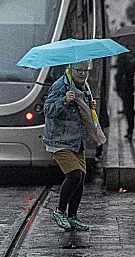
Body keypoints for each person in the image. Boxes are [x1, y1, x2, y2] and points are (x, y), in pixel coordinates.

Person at [43, 60, 95, 231]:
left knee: (80, 180)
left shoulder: (84, 87)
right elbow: (48, 110)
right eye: (79, 70)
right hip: (59, 139)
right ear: (70, 69)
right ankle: (59, 211)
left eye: (85, 71)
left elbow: (82, 110)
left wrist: (90, 105)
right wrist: (64, 100)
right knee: (74, 175)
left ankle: (72, 217)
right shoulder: (60, 86)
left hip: (76, 140)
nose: (82, 74)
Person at [114, 47, 135, 139]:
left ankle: (131, 130)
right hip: (130, 85)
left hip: (128, 86)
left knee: (130, 110)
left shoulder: (123, 53)